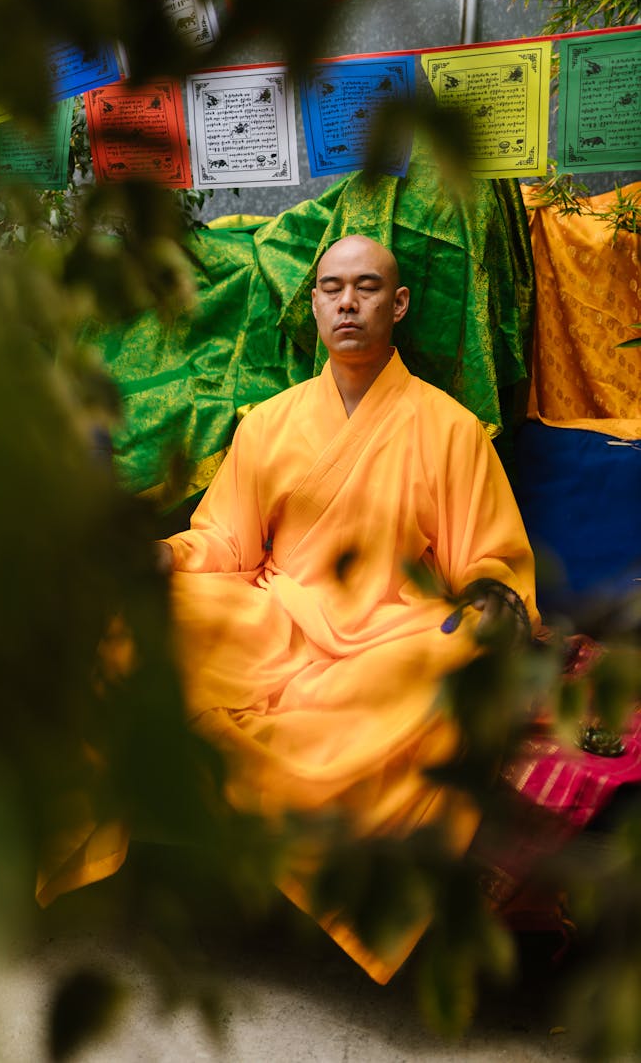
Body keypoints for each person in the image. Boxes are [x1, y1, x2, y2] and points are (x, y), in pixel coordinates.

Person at [153, 233, 540, 983]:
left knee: (452, 663)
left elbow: (489, 563)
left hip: (389, 636)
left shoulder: (452, 430)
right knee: (142, 616)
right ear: (316, 303)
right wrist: (166, 555)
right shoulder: (268, 421)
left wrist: (494, 593)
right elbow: (226, 541)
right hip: (276, 617)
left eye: (367, 288)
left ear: (397, 305)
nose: (348, 303)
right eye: (332, 288)